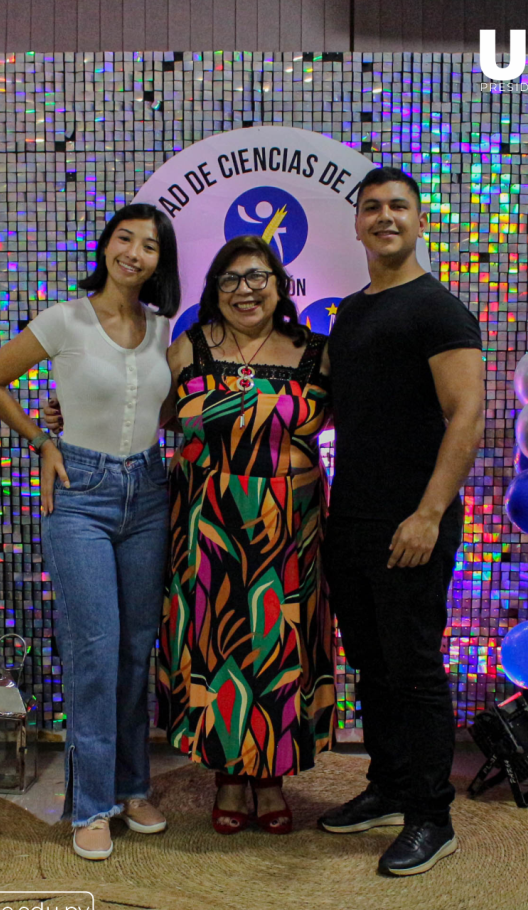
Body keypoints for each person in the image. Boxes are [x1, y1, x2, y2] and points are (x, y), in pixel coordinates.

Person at [0, 203, 181, 860]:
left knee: (134, 649)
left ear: (158, 262)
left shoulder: (163, 331)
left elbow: (162, 412)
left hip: (149, 492)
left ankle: (132, 786)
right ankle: (90, 805)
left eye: (149, 245)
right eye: (126, 238)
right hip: (82, 497)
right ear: (108, 245)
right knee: (95, 651)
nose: (135, 253)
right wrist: (43, 440)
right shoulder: (65, 319)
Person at [318, 167, 485, 876]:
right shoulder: (351, 313)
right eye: (373, 208)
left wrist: (428, 512)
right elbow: (319, 409)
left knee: (413, 670)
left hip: (411, 524)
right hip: (350, 519)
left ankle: (430, 816)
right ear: (356, 225)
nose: (385, 217)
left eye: (398, 207)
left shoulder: (439, 309)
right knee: (372, 666)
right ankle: (387, 786)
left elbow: (468, 415)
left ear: (419, 222)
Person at [158, 235, 336, 835]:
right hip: (209, 523)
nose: (245, 290)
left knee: (279, 648)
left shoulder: (316, 352)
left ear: (281, 285)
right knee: (217, 645)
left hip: (291, 526)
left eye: (257, 276)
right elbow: (141, 414)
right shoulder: (189, 348)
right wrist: (63, 418)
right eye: (230, 279)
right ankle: (228, 776)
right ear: (214, 290)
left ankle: (271, 776)